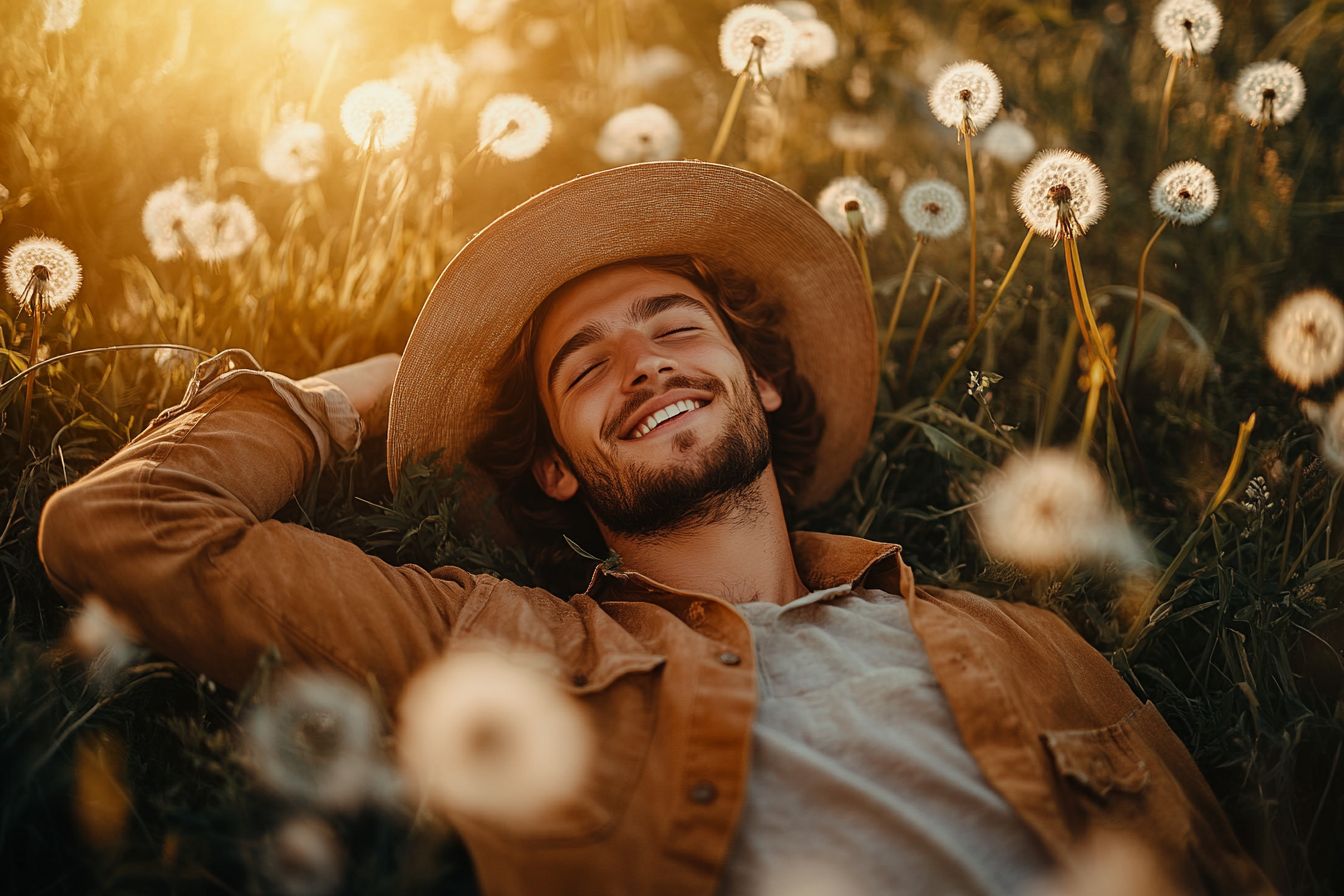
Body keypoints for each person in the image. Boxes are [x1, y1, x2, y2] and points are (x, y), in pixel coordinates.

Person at [39, 162, 1270, 896]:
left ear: (763, 380)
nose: (642, 362)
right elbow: (124, 525)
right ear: (559, 471)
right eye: (584, 364)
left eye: (676, 325)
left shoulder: (1028, 641)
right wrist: (354, 396)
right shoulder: (489, 646)